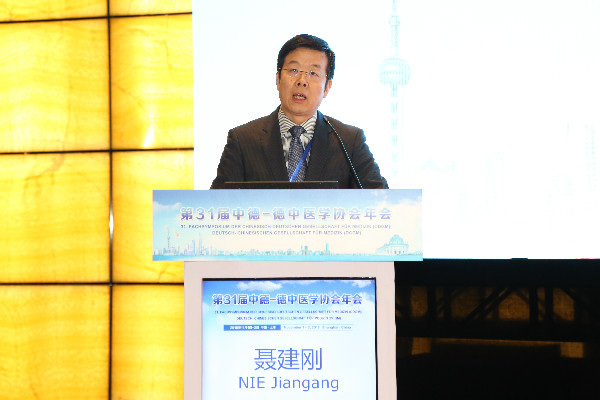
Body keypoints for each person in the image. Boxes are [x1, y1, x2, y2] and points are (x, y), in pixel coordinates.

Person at [211, 34, 388, 189]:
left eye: (313, 73)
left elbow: (382, 200)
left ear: (327, 87)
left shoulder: (349, 141)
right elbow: (217, 205)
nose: (302, 80)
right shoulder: (243, 140)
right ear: (278, 79)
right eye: (294, 70)